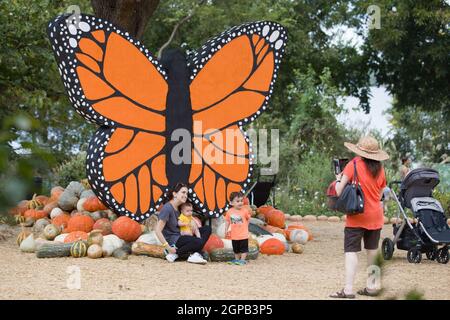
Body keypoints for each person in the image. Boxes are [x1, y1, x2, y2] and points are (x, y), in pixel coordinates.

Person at [330, 136, 389, 299]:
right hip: (376, 216)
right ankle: (373, 286)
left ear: (360, 151)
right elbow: (381, 193)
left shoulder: (353, 164)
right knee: (372, 251)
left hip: (357, 216)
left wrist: (337, 180)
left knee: (351, 252)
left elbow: (339, 191)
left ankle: (348, 290)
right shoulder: (381, 169)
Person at [155, 182, 211, 264]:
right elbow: (157, 230)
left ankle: (195, 254)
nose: (185, 195)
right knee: (198, 241)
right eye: (183, 192)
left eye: (187, 193)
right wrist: (167, 247)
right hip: (174, 240)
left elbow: (187, 219)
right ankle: (174, 253)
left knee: (207, 229)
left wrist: (192, 224)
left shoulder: (179, 207)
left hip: (183, 234)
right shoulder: (167, 208)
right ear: (175, 194)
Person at [224, 191, 251, 265]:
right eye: (238, 201)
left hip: (243, 234)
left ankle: (242, 260)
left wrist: (246, 227)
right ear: (231, 203)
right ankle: (237, 259)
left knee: (243, 248)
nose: (240, 203)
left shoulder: (245, 211)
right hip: (234, 234)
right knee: (236, 249)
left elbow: (248, 219)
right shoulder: (229, 212)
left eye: (241, 201)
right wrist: (226, 230)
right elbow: (227, 221)